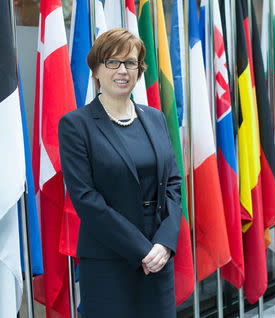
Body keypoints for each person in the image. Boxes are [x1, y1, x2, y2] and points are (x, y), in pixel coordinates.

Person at [58, 28, 181, 317]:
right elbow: (86, 199)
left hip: (159, 258)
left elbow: (174, 184)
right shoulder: (76, 125)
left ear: (139, 71)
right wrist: (142, 250)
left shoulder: (155, 118)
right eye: (112, 62)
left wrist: (164, 243)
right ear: (96, 70)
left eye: (130, 62)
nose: (122, 70)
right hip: (108, 262)